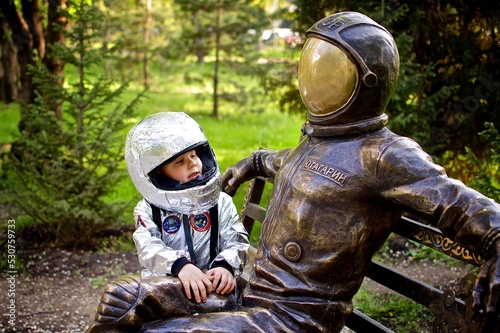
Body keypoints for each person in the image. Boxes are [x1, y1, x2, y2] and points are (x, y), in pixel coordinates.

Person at [87, 12, 500, 333]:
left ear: (365, 81)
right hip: (252, 293)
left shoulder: (387, 156)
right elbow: (289, 162)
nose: (314, 78)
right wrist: (253, 161)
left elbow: (470, 209)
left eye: (331, 69)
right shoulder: (321, 141)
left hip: (294, 318)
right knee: (124, 299)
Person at [85, 111, 249, 332]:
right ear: (159, 175)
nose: (193, 164)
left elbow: (236, 238)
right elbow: (148, 247)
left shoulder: (220, 203)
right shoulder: (148, 210)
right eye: (180, 162)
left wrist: (226, 266)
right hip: (168, 288)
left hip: (213, 287)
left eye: (193, 155)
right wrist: (180, 266)